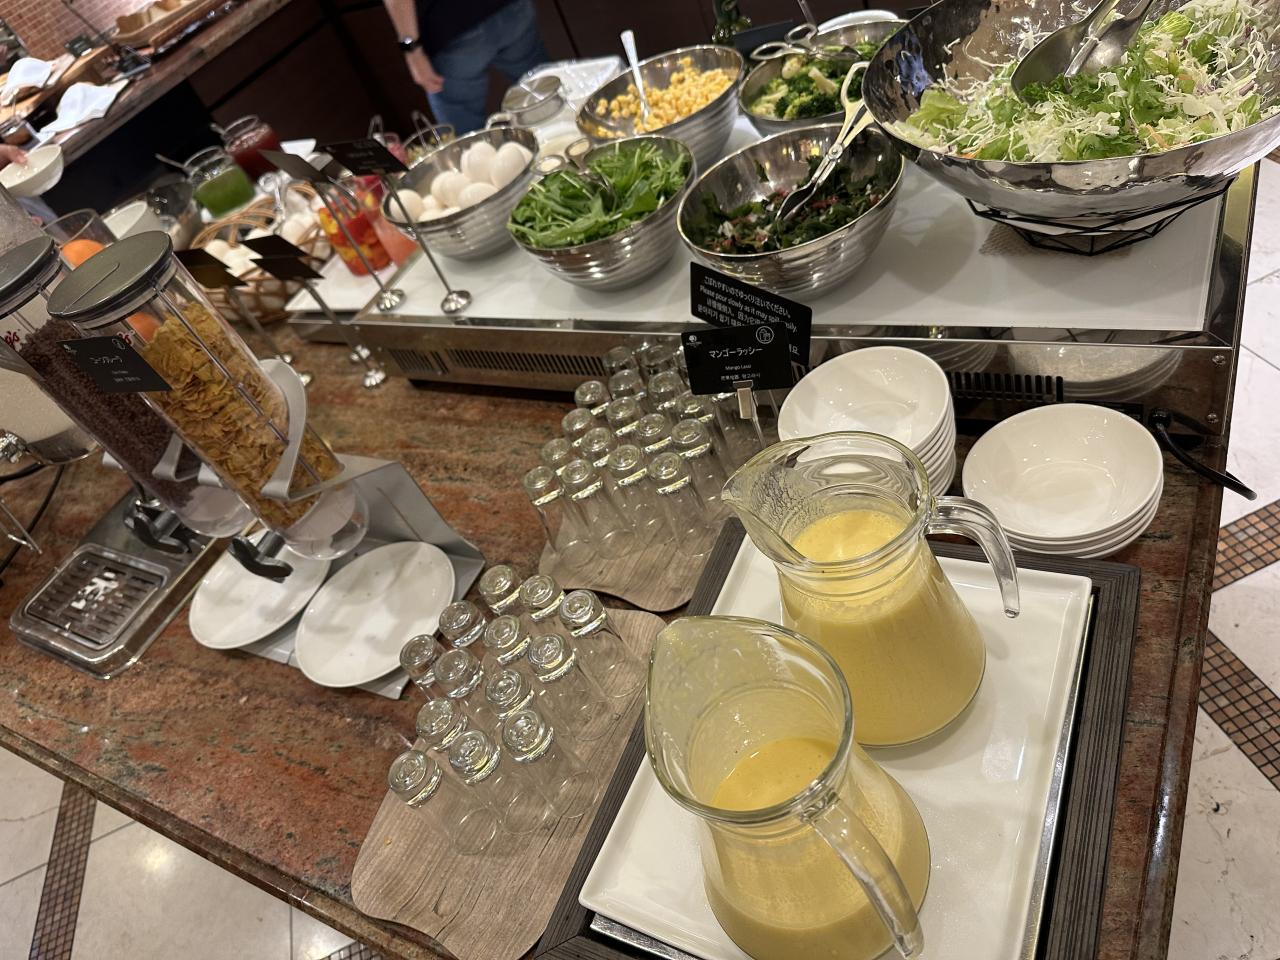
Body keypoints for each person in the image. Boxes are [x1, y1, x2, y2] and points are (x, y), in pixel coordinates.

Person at [382, 0, 549, 135]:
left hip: (451, 28)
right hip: (511, 10)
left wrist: (412, 50)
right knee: (546, 97)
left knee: (469, 139)